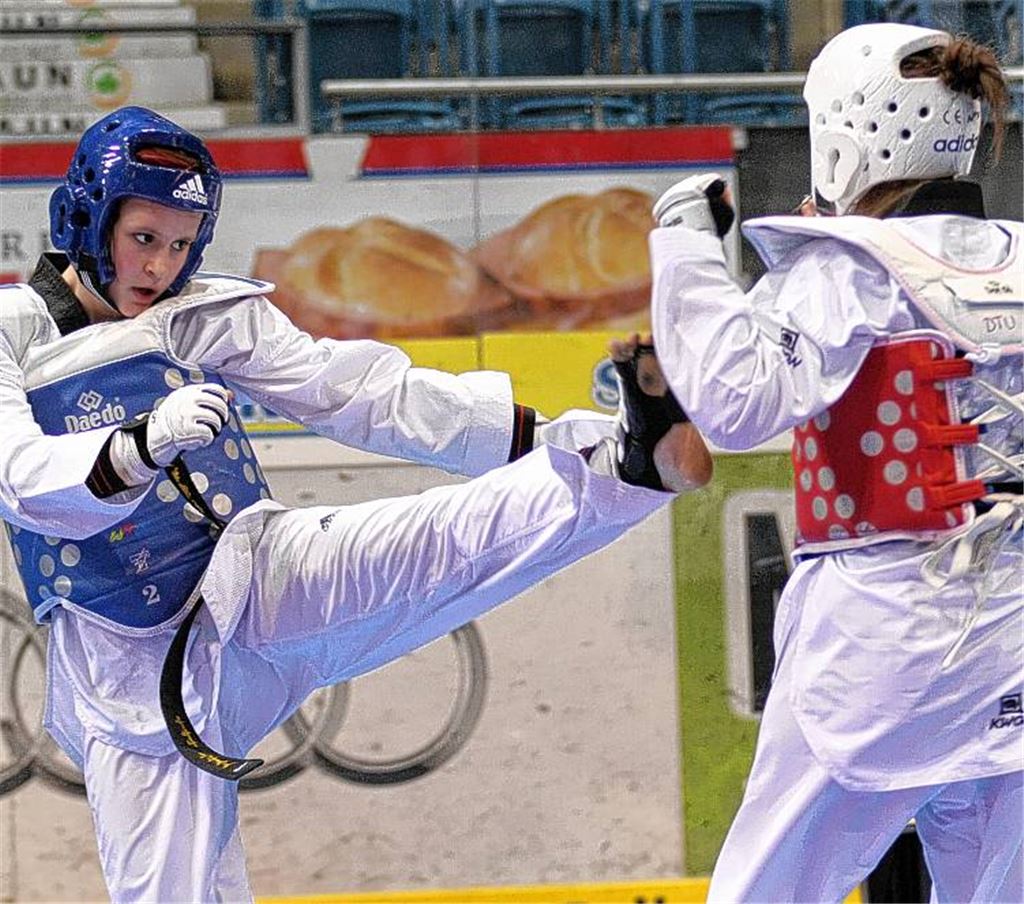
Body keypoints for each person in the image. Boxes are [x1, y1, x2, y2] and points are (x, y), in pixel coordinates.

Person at [0, 106, 713, 902]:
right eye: (143, 239)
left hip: (253, 578)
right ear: (88, 220)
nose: (159, 267)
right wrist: (138, 445)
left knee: (434, 543)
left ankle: (619, 460)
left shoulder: (203, 314)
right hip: (130, 665)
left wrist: (529, 432)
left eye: (179, 243)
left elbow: (361, 393)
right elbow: (21, 476)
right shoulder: (12, 332)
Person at [649, 22, 1022, 904]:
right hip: (1016, 637)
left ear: (845, 135)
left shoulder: (852, 268)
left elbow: (733, 403)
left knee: (764, 893)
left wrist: (685, 247)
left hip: (885, 638)